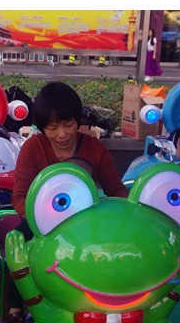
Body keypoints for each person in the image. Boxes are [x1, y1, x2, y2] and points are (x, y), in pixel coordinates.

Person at [12, 82, 129, 220]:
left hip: (84, 220)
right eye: (52, 128)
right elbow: (19, 198)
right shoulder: (33, 148)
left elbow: (117, 192)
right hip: (41, 221)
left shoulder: (95, 149)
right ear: (42, 128)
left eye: (68, 125)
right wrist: (45, 218)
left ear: (78, 121)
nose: (62, 134)